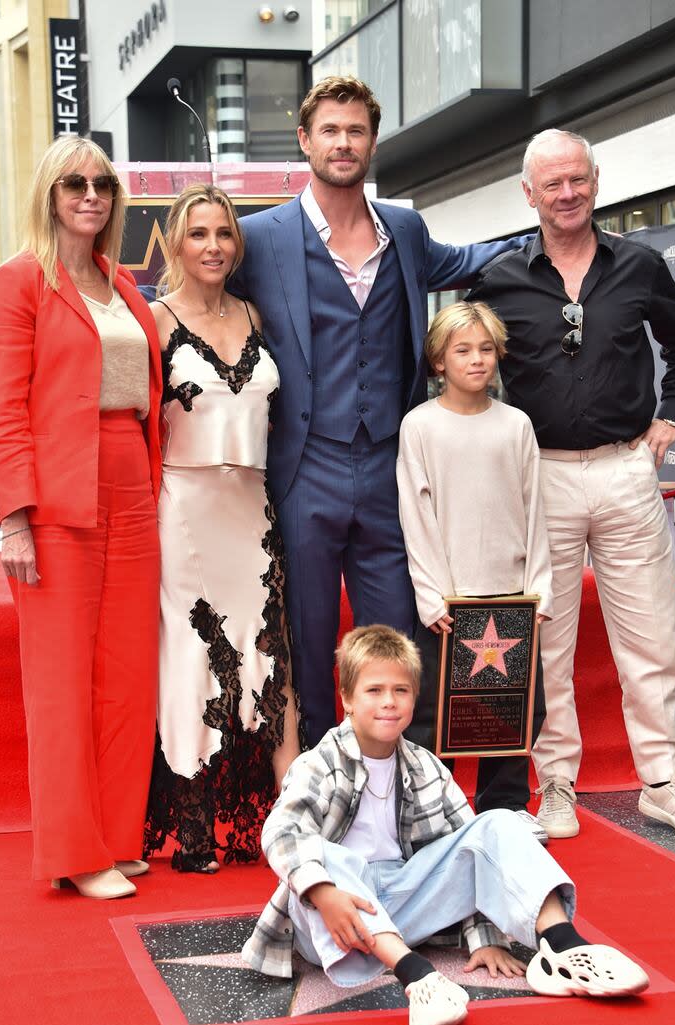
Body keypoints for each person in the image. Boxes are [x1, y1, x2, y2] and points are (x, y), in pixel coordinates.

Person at [228, 75, 529, 746]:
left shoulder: (405, 229)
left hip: (391, 468)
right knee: (305, 640)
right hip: (305, 466)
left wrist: (545, 242)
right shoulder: (262, 237)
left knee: (397, 638)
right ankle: (313, 783)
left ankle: (396, 783)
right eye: (329, 130)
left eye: (356, 130)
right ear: (305, 141)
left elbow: (468, 261)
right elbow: (198, 293)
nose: (343, 142)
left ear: (372, 141)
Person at [469, 128, 675, 840]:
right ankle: (554, 787)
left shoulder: (637, 266)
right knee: (546, 642)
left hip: (624, 469)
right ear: (529, 194)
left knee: (651, 636)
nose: (567, 193)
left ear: (595, 182)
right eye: (553, 184)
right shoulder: (500, 279)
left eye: (577, 179)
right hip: (539, 474)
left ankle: (664, 782)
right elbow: (464, 358)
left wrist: (670, 417)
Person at [242, 625, 649, 1025]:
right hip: (333, 915)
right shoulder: (319, 763)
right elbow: (281, 831)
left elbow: (470, 851)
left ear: (414, 699)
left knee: (498, 822)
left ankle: (563, 948)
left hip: (404, 900)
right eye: (374, 690)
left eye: (400, 691)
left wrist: (485, 938)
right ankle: (418, 978)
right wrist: (323, 892)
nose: (388, 702)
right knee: (322, 855)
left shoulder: (427, 768)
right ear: (346, 699)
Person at [0, 136, 163, 899]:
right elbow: (4, 409)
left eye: (101, 184)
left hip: (132, 481)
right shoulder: (20, 282)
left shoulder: (122, 284)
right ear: (50, 193)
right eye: (74, 184)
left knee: (127, 677)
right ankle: (71, 849)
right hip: (59, 497)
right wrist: (13, 517)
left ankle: (116, 836)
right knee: (61, 681)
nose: (90, 195)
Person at [142, 184, 302, 874]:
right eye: (199, 233)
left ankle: (287, 813)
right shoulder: (152, 319)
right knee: (194, 650)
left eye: (224, 234)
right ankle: (195, 818)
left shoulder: (256, 312)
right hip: (186, 506)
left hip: (253, 507)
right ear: (176, 242)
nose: (214, 246)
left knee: (271, 650)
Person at [396, 301, 552, 842]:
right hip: (449, 601)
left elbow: (535, 510)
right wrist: (432, 594)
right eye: (463, 350)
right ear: (439, 361)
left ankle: (504, 808)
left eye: (486, 349)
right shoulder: (420, 426)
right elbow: (416, 515)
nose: (477, 359)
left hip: (509, 594)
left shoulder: (516, 425)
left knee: (514, 710)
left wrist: (540, 590)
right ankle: (432, 807)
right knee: (437, 711)